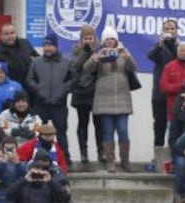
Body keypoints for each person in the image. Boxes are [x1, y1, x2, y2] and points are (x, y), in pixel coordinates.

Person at [83, 26, 137, 173]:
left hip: (122, 98)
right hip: (104, 99)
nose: (109, 42)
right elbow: (86, 69)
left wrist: (126, 55)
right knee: (107, 132)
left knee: (123, 130)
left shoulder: (122, 53)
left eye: (112, 39)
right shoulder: (100, 53)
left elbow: (133, 67)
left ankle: (125, 161)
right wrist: (97, 57)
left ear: (116, 40)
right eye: (107, 39)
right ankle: (110, 162)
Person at [26, 33, 74, 167]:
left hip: (59, 104)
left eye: (50, 45)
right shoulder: (36, 62)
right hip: (40, 104)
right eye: (45, 45)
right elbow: (30, 80)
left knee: (61, 134)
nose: (47, 48)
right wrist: (39, 90)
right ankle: (36, 158)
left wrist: (64, 90)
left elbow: (73, 79)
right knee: (38, 133)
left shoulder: (67, 62)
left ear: (56, 46)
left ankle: (66, 160)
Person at [70, 25, 104, 164]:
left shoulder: (100, 53)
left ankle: (101, 152)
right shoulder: (76, 52)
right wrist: (85, 52)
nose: (88, 41)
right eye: (85, 38)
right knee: (83, 124)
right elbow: (75, 67)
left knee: (99, 125)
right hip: (81, 93)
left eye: (91, 38)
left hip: (96, 94)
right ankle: (84, 152)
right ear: (81, 40)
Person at [147, 19, 178, 148]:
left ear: (176, 31)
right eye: (166, 29)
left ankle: (174, 154)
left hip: (175, 93)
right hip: (159, 93)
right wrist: (161, 44)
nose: (169, 32)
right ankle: (158, 152)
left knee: (175, 125)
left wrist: (173, 45)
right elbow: (150, 56)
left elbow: (179, 60)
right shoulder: (158, 47)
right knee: (159, 124)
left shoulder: (180, 47)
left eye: (172, 29)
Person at [0, 23, 39, 91]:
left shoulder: (25, 44)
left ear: (16, 34)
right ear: (1, 36)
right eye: (6, 34)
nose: (10, 36)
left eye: (12, 33)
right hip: (8, 90)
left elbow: (38, 60)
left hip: (29, 88)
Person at [5, 161, 71, 203]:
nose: (37, 176)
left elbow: (65, 197)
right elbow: (9, 194)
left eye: (39, 174)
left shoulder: (50, 186)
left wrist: (50, 181)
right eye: (34, 174)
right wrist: (24, 180)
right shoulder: (22, 187)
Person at [0, 137, 26, 202]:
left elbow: (26, 176)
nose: (10, 150)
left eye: (12, 148)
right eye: (7, 148)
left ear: (16, 148)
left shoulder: (22, 162)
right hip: (2, 196)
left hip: (18, 196)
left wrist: (18, 164)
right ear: (3, 149)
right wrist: (2, 164)